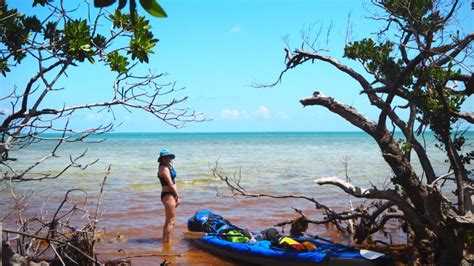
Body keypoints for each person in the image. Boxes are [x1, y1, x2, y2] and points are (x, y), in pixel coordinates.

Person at [157, 149, 179, 243]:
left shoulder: (169, 165)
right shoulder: (163, 168)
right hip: (168, 195)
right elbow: (170, 183)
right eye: (164, 157)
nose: (167, 158)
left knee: (169, 220)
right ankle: (167, 242)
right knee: (172, 220)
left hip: (171, 195)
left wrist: (175, 195)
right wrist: (177, 195)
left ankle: (165, 241)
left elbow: (173, 182)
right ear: (161, 159)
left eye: (168, 156)